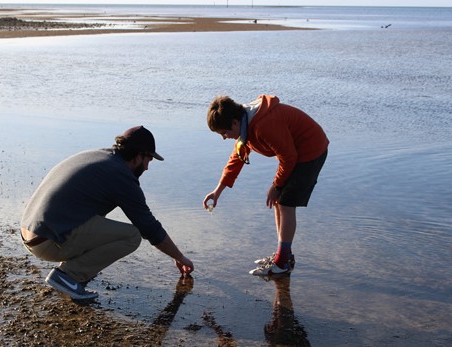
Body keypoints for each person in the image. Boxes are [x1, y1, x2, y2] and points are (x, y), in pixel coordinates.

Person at [21, 125, 194, 300]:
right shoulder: (121, 176)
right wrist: (179, 256)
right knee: (132, 236)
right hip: (46, 241)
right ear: (139, 156)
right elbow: (149, 228)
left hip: (30, 232)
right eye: (149, 159)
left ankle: (69, 272)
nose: (148, 167)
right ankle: (68, 276)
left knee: (97, 217)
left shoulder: (99, 157)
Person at [202, 95, 328, 276]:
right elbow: (236, 159)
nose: (224, 137)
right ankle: (283, 255)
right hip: (293, 153)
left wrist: (276, 186)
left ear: (235, 122)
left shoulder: (262, 126)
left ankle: (282, 261)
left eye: (224, 133)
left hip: (311, 150)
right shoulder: (246, 125)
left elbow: (289, 157)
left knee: (285, 203)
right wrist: (217, 191)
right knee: (279, 202)